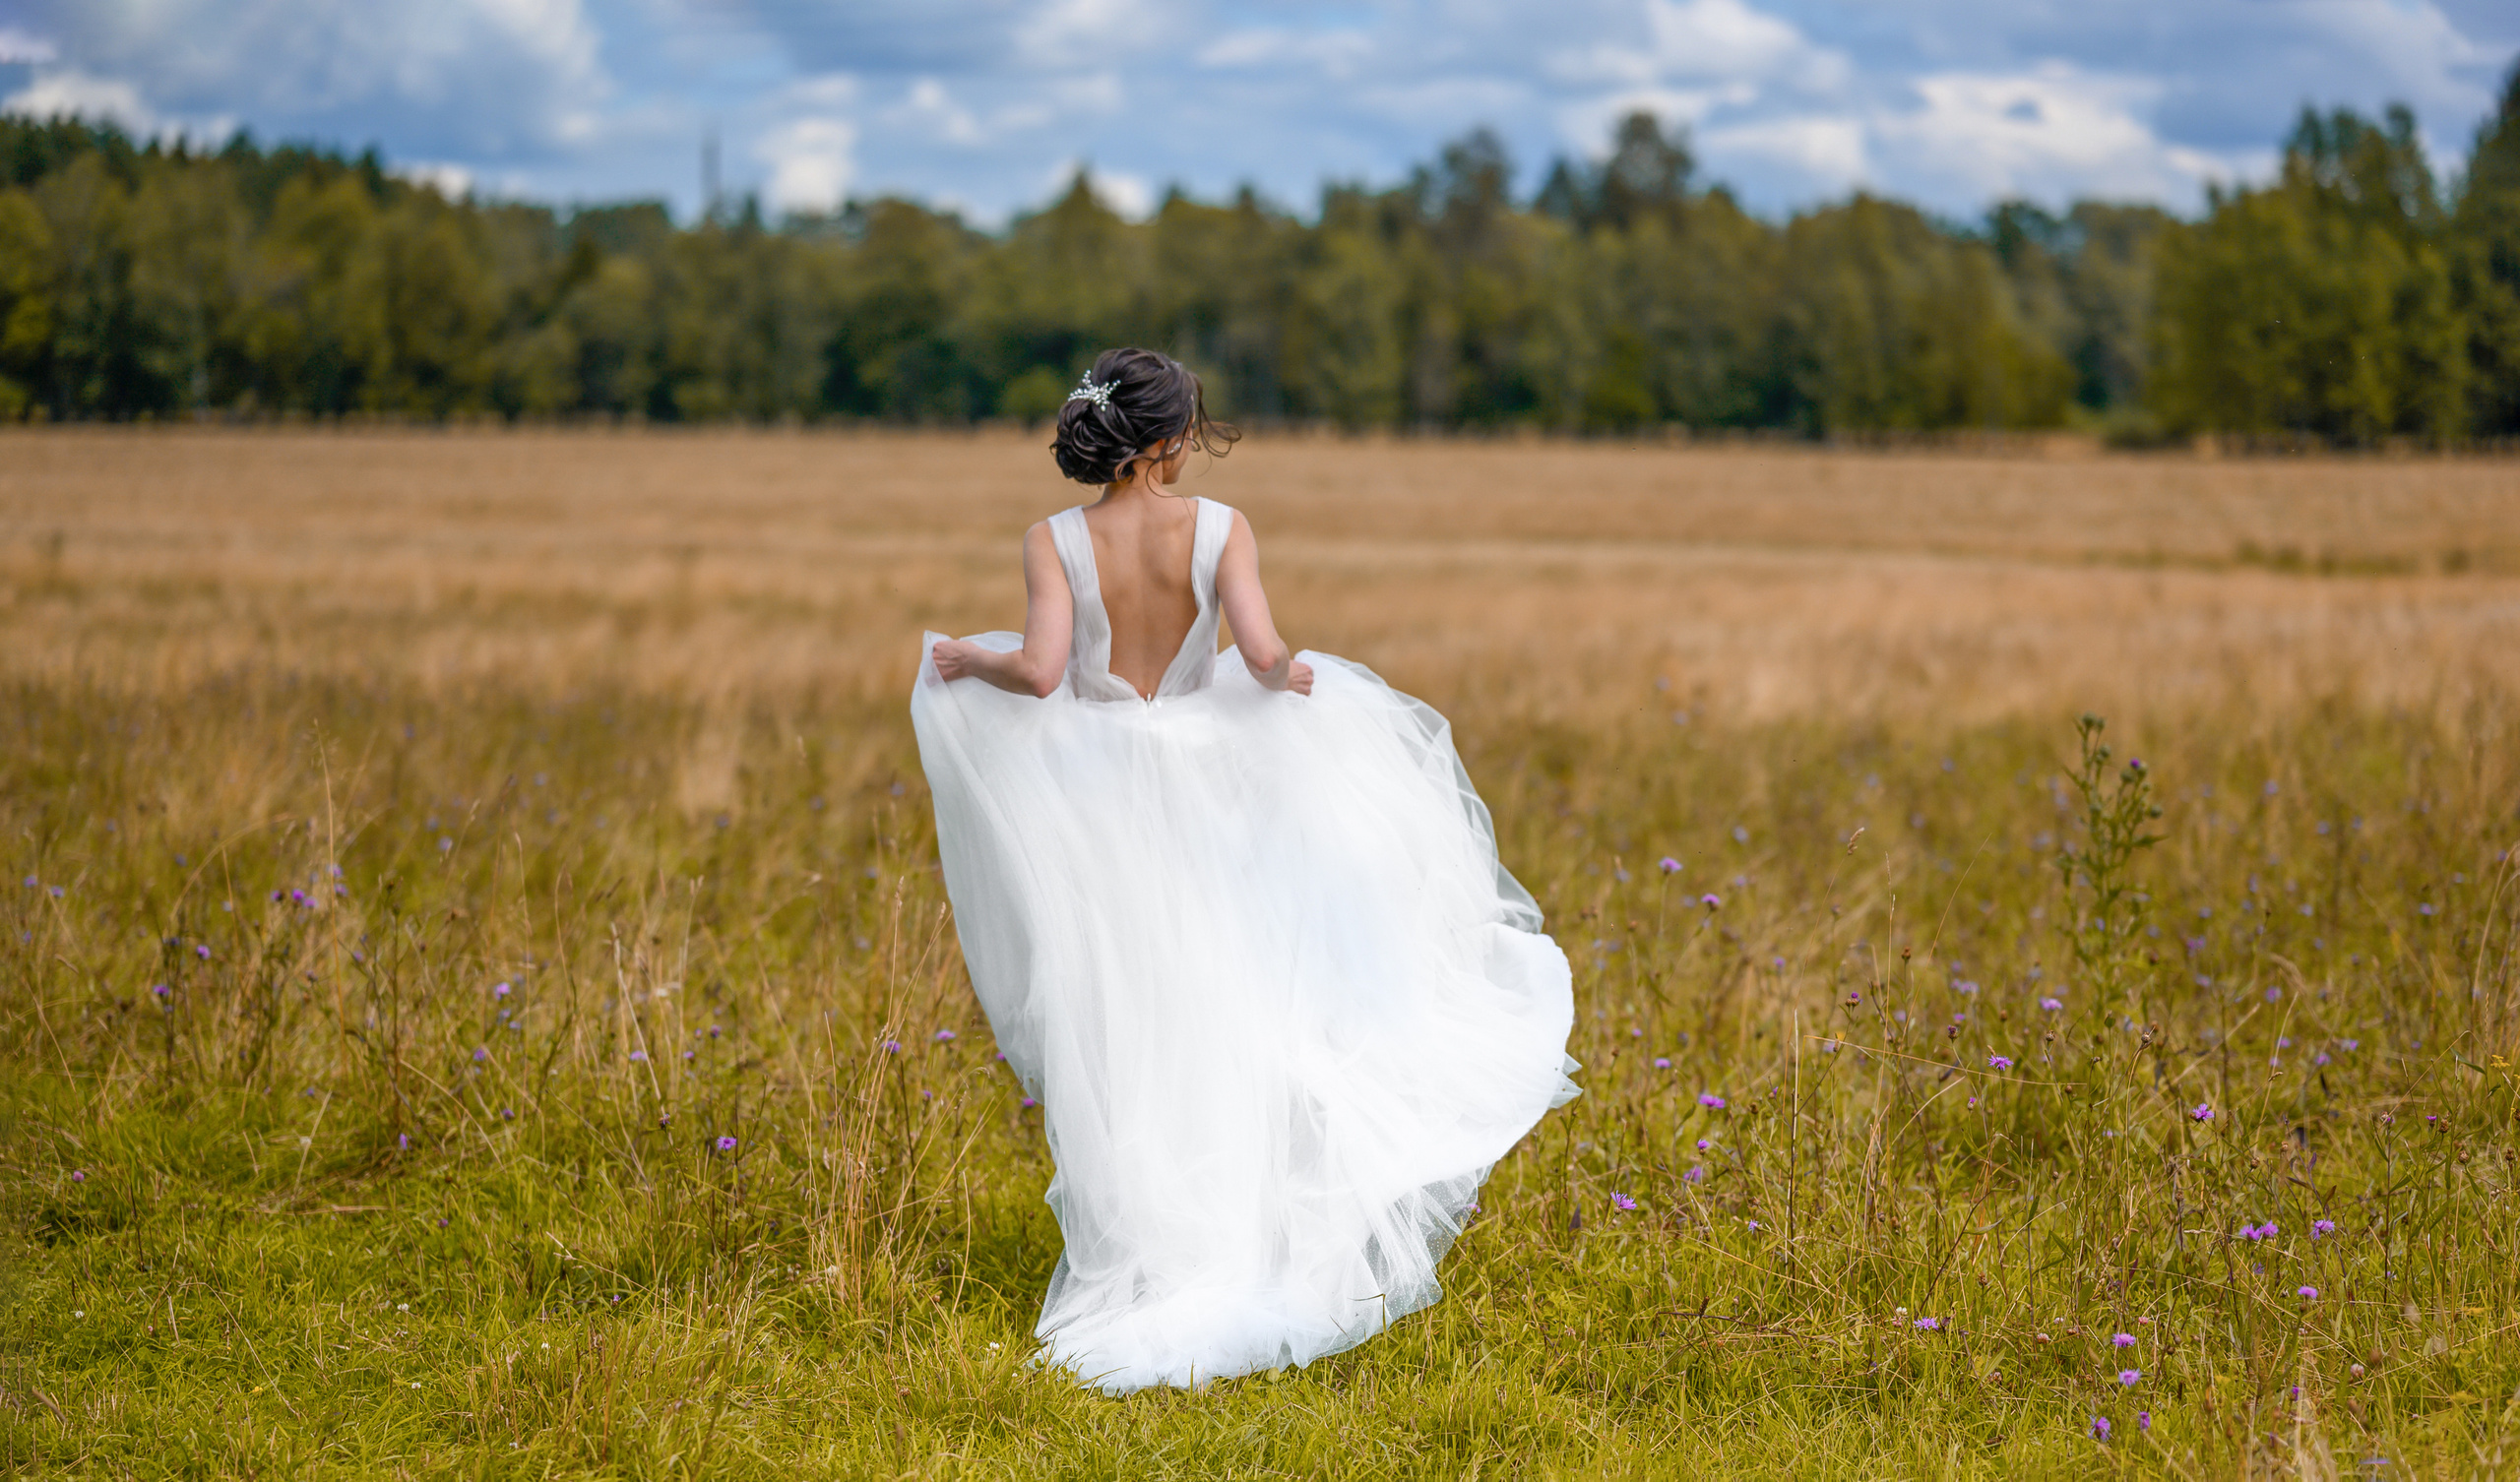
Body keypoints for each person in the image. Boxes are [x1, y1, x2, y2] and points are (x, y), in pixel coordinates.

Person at [912, 346, 1579, 1395]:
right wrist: (1284, 675)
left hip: (1098, 796)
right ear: (1174, 437)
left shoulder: (1052, 540)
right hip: (1202, 778)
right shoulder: (1220, 529)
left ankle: (1150, 1244)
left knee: (1128, 1019)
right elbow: (1265, 656)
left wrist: (965, 660)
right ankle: (1243, 1233)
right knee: (1231, 994)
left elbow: (1040, 674)